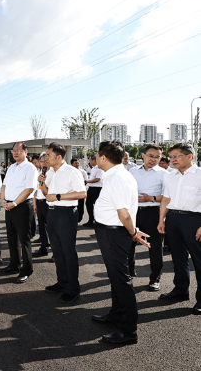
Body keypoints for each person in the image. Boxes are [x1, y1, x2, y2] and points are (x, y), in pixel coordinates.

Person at [91, 140, 150, 345]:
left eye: (97, 155)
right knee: (116, 278)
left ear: (104, 158)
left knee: (121, 280)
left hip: (114, 234)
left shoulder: (117, 178)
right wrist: (132, 230)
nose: (95, 158)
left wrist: (133, 232)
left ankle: (128, 330)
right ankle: (116, 315)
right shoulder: (117, 175)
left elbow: (124, 213)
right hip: (112, 232)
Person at [38, 143, 87, 304]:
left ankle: (73, 289)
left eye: (48, 156)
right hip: (52, 212)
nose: (45, 159)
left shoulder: (72, 172)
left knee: (68, 252)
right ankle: (62, 282)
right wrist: (42, 183)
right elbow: (46, 194)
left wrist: (58, 197)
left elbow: (82, 193)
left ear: (59, 157)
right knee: (57, 251)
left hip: (66, 214)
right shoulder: (51, 171)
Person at [157, 143, 201, 315]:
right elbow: (166, 199)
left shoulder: (199, 175)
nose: (172, 159)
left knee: (199, 262)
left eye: (177, 156)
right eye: (171, 157)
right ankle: (180, 290)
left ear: (190, 156)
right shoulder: (171, 176)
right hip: (173, 219)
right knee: (177, 257)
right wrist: (162, 220)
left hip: (195, 220)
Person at [128, 144, 168, 288]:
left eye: (158, 157)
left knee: (155, 247)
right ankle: (128, 274)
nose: (154, 159)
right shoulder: (132, 171)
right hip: (133, 213)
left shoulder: (164, 174)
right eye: (151, 155)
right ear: (143, 155)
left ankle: (155, 279)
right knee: (128, 244)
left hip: (153, 213)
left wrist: (151, 198)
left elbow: (168, 197)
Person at [0, 142, 38, 283]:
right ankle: (14, 264)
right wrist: (3, 200)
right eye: (14, 150)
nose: (15, 153)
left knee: (24, 239)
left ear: (26, 152)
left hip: (21, 206)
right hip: (9, 206)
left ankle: (26, 270)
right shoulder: (11, 167)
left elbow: (29, 189)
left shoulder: (30, 168)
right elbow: (4, 185)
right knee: (11, 238)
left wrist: (14, 203)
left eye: (19, 150)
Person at [33, 152, 53, 258]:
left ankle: (55, 251)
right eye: (42, 161)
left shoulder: (53, 173)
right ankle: (44, 248)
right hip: (40, 203)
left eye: (46, 161)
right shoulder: (39, 173)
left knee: (52, 228)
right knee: (42, 227)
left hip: (49, 203)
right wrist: (35, 204)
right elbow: (36, 190)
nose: (44, 163)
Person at [84, 155, 103, 227]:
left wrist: (87, 181)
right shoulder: (93, 168)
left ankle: (98, 221)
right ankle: (91, 220)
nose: (90, 162)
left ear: (94, 160)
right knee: (88, 204)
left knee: (97, 206)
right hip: (91, 188)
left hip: (97, 189)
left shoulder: (99, 168)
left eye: (90, 160)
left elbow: (97, 179)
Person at [71, 158, 88, 223]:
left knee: (80, 206)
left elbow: (86, 181)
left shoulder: (83, 172)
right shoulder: (70, 171)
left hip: (80, 192)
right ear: (72, 164)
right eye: (75, 163)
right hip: (72, 192)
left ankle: (79, 219)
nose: (77, 164)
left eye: (78, 163)